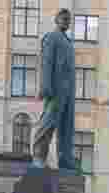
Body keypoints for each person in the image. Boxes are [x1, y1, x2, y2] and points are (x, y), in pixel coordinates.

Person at [31, 9, 76, 169]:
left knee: (67, 127)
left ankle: (65, 160)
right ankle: (38, 156)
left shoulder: (68, 42)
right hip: (56, 88)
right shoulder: (52, 37)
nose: (66, 21)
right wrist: (46, 86)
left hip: (68, 91)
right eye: (63, 18)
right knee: (48, 121)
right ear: (56, 19)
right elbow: (46, 62)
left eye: (68, 19)